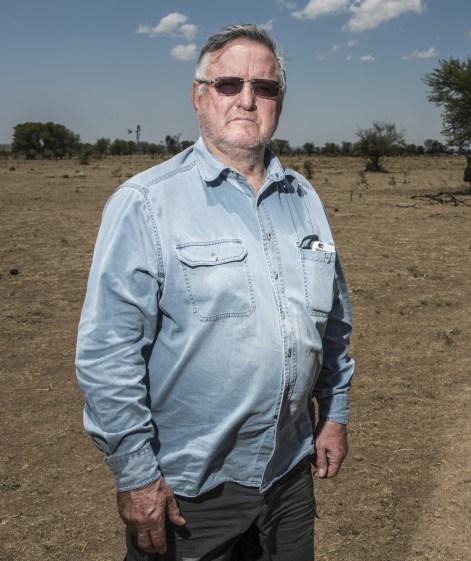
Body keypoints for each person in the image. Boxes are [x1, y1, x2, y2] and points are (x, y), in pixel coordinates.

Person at [75, 23, 355, 561]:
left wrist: (335, 413)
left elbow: (334, 324)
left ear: (280, 100)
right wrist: (136, 475)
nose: (247, 99)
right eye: (229, 84)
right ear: (199, 95)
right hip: (189, 492)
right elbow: (108, 353)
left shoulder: (304, 197)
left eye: (265, 87)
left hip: (288, 476)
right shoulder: (146, 203)